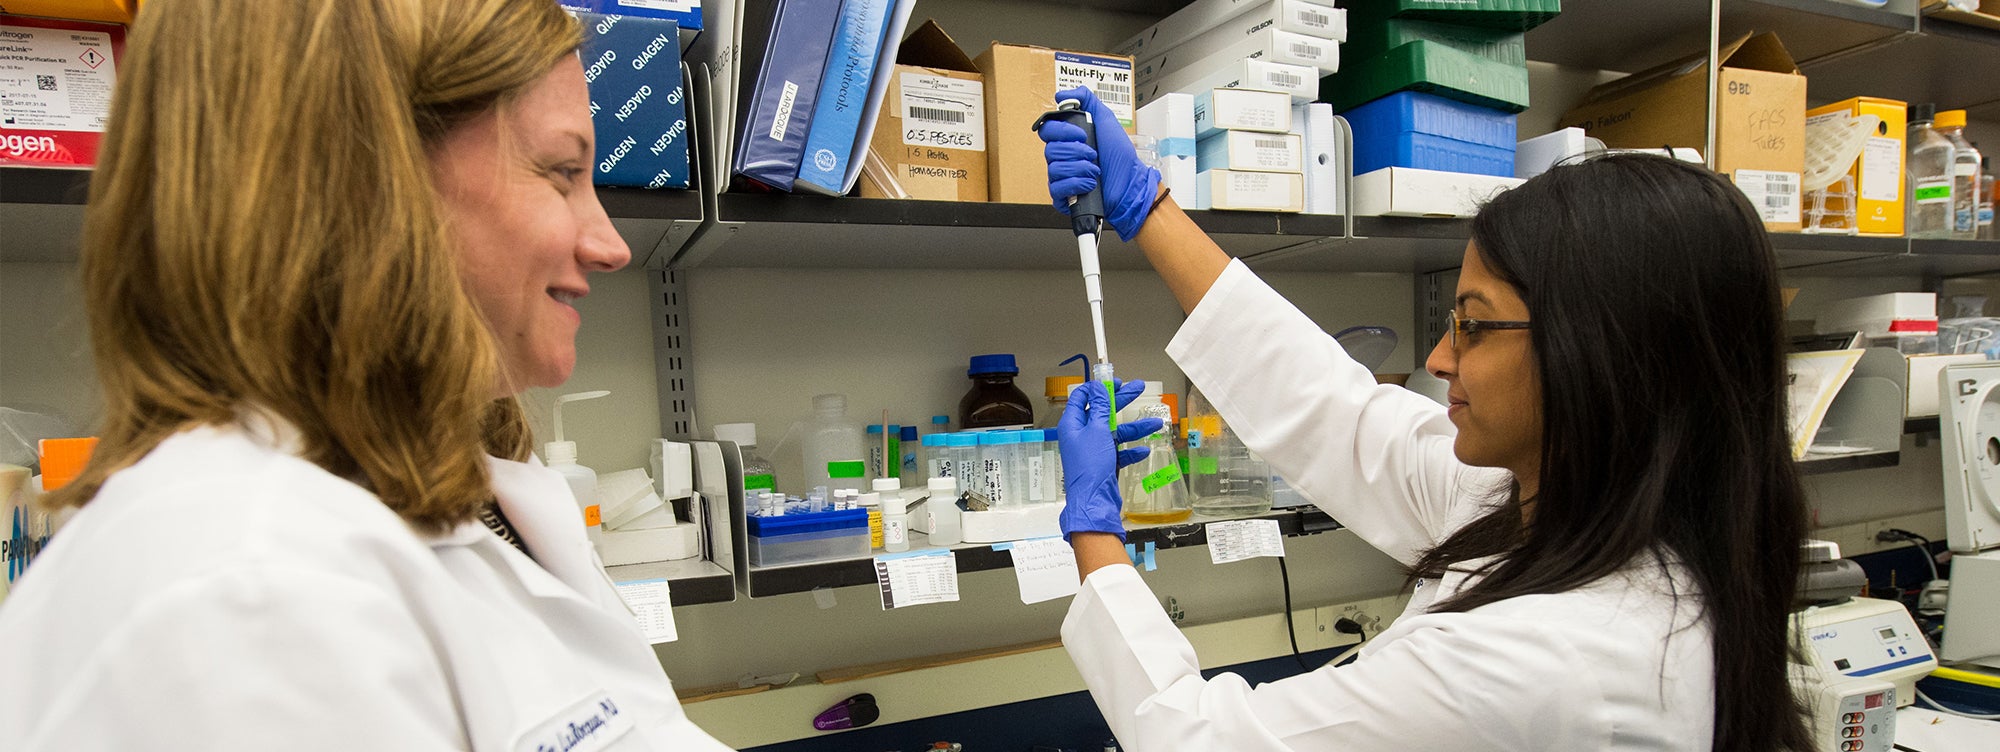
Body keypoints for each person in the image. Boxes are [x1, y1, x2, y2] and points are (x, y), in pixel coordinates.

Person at [0, 1, 732, 749]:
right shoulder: (241, 591)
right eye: (560, 172)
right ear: (361, 182)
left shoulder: (480, 498)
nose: (609, 244)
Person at [1043, 87, 1812, 752]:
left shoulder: (1548, 658)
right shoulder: (1569, 514)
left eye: (1474, 324)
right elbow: (1337, 412)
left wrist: (1094, 531)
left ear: (1598, 356)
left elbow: (1193, 740)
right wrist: (1148, 206)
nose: (1439, 358)